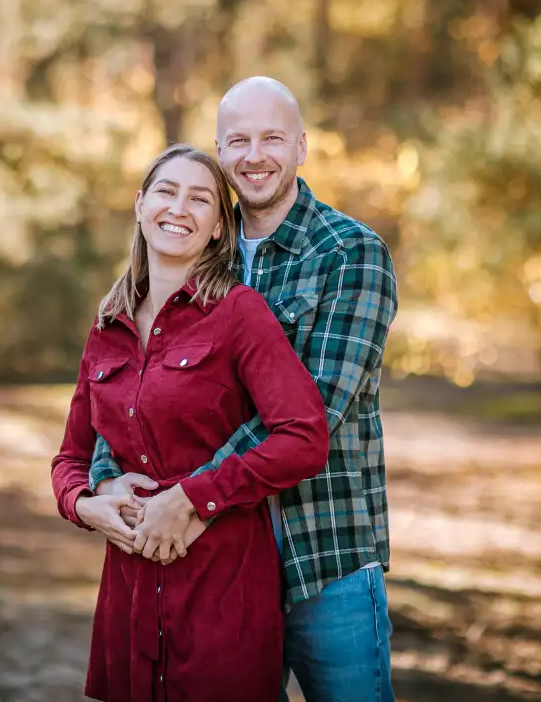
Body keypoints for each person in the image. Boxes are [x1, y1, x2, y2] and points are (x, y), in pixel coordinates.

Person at [90, 77, 399, 702]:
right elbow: (136, 384)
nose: (254, 155)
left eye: (272, 139)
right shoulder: (201, 243)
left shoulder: (350, 253)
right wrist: (107, 475)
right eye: (237, 140)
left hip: (322, 552)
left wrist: (187, 497)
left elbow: (317, 409)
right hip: (214, 564)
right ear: (220, 151)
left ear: (302, 147)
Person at [51, 143, 331, 701]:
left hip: (221, 591)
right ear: (140, 206)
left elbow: (304, 438)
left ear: (217, 229)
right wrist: (87, 505)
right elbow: (70, 459)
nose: (179, 208)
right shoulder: (108, 324)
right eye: (166, 191)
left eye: (200, 199)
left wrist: (193, 497)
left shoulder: (239, 314)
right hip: (128, 598)